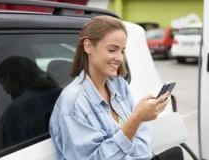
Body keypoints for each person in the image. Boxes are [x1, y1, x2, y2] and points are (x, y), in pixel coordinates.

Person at [49, 15, 170, 160]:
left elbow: (144, 147)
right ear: (88, 46)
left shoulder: (119, 85)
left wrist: (137, 120)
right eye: (112, 50)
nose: (119, 58)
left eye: (122, 51)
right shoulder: (74, 103)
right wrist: (136, 118)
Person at [0, 56, 62, 147]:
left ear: (8, 77)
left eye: (1, 82)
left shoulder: (15, 111)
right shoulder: (62, 95)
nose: (4, 90)